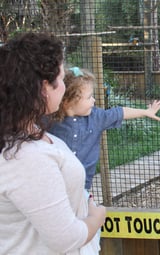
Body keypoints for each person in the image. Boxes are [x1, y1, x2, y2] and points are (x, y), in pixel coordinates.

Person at [0, 32, 106, 254]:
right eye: (60, 79)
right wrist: (97, 217)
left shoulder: (29, 133)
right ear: (42, 88)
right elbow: (65, 239)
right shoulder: (26, 157)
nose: (64, 86)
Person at [49, 66, 160, 190]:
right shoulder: (49, 120)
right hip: (55, 185)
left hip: (83, 187)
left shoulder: (96, 117)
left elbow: (120, 112)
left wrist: (146, 112)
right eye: (89, 97)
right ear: (68, 101)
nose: (93, 100)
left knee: (94, 209)